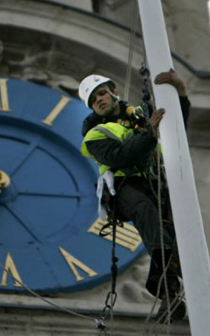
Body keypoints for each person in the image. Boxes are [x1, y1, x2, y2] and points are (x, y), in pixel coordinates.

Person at [79, 70, 190, 323]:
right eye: (94, 101)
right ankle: (169, 274)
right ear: (93, 109)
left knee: (170, 227)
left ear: (113, 92)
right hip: (123, 188)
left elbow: (176, 131)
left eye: (101, 94)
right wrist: (149, 134)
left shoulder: (141, 115)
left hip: (153, 181)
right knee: (143, 210)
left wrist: (180, 94)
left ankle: (168, 289)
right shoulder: (95, 135)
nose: (99, 100)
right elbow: (120, 157)